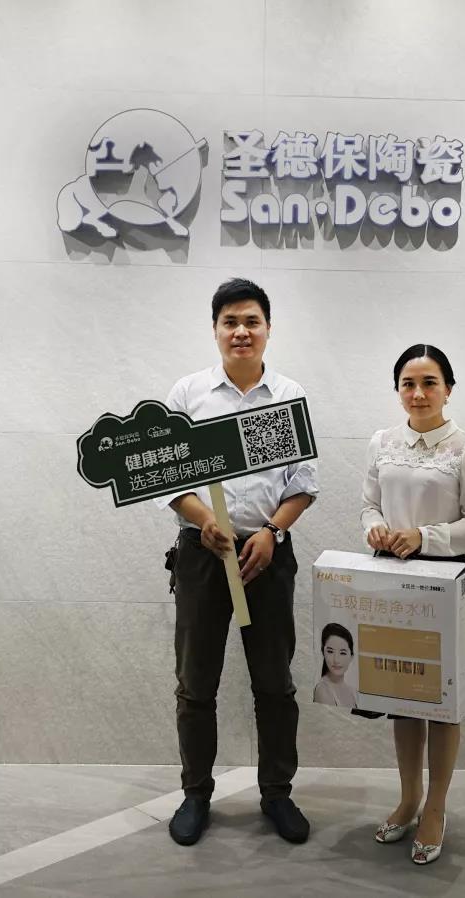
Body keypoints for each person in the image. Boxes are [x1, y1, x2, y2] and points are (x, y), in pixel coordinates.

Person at [157, 277, 318, 847]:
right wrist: (205, 519)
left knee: (274, 682)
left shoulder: (287, 395)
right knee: (195, 682)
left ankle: (277, 793)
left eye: (252, 321)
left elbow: (303, 483)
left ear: (268, 329)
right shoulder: (189, 394)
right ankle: (195, 794)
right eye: (231, 322)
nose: (241, 331)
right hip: (203, 557)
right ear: (216, 330)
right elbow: (168, 477)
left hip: (267, 557)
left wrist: (272, 532)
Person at [360, 343, 465, 866]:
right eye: (408, 384)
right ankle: (409, 797)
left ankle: (436, 805)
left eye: (429, 383)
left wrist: (424, 536)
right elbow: (369, 505)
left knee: (443, 697)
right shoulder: (381, 442)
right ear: (398, 391)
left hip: (442, 581)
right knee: (404, 693)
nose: (418, 393)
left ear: (448, 389)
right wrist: (375, 528)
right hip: (391, 578)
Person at [313, 623, 358, 709]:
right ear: (323, 652)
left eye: (342, 653)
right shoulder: (323, 691)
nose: (336, 660)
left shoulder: (353, 692)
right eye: (330, 651)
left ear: (351, 657)